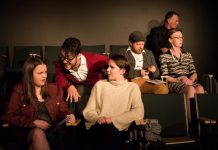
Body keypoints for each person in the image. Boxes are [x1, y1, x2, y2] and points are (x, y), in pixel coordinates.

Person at [2, 54, 75, 150]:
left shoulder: (55, 89)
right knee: (37, 133)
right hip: (28, 133)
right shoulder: (19, 90)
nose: (44, 76)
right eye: (40, 73)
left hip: (53, 132)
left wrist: (69, 115)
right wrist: (33, 122)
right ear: (29, 74)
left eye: (45, 72)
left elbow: (64, 110)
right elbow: (8, 116)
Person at [82, 55, 144, 150]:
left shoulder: (132, 87)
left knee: (110, 132)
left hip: (120, 129)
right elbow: (88, 111)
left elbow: (138, 112)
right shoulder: (100, 85)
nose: (107, 70)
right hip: (99, 127)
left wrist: (113, 120)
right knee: (105, 131)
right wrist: (98, 118)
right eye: (107, 66)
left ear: (122, 71)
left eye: (112, 67)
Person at [55, 37, 109, 118]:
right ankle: (77, 122)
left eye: (69, 59)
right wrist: (68, 86)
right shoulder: (60, 63)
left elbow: (114, 64)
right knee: (79, 89)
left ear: (79, 55)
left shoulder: (94, 59)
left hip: (96, 87)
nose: (64, 61)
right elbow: (59, 76)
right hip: (80, 89)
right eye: (62, 57)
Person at [159, 28, 204, 99]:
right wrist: (179, 80)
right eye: (177, 37)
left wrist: (191, 80)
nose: (181, 39)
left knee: (200, 88)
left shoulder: (187, 55)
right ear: (170, 40)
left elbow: (194, 72)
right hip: (174, 82)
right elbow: (164, 76)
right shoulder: (164, 56)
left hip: (188, 81)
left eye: (181, 37)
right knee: (191, 89)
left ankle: (200, 110)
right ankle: (190, 110)